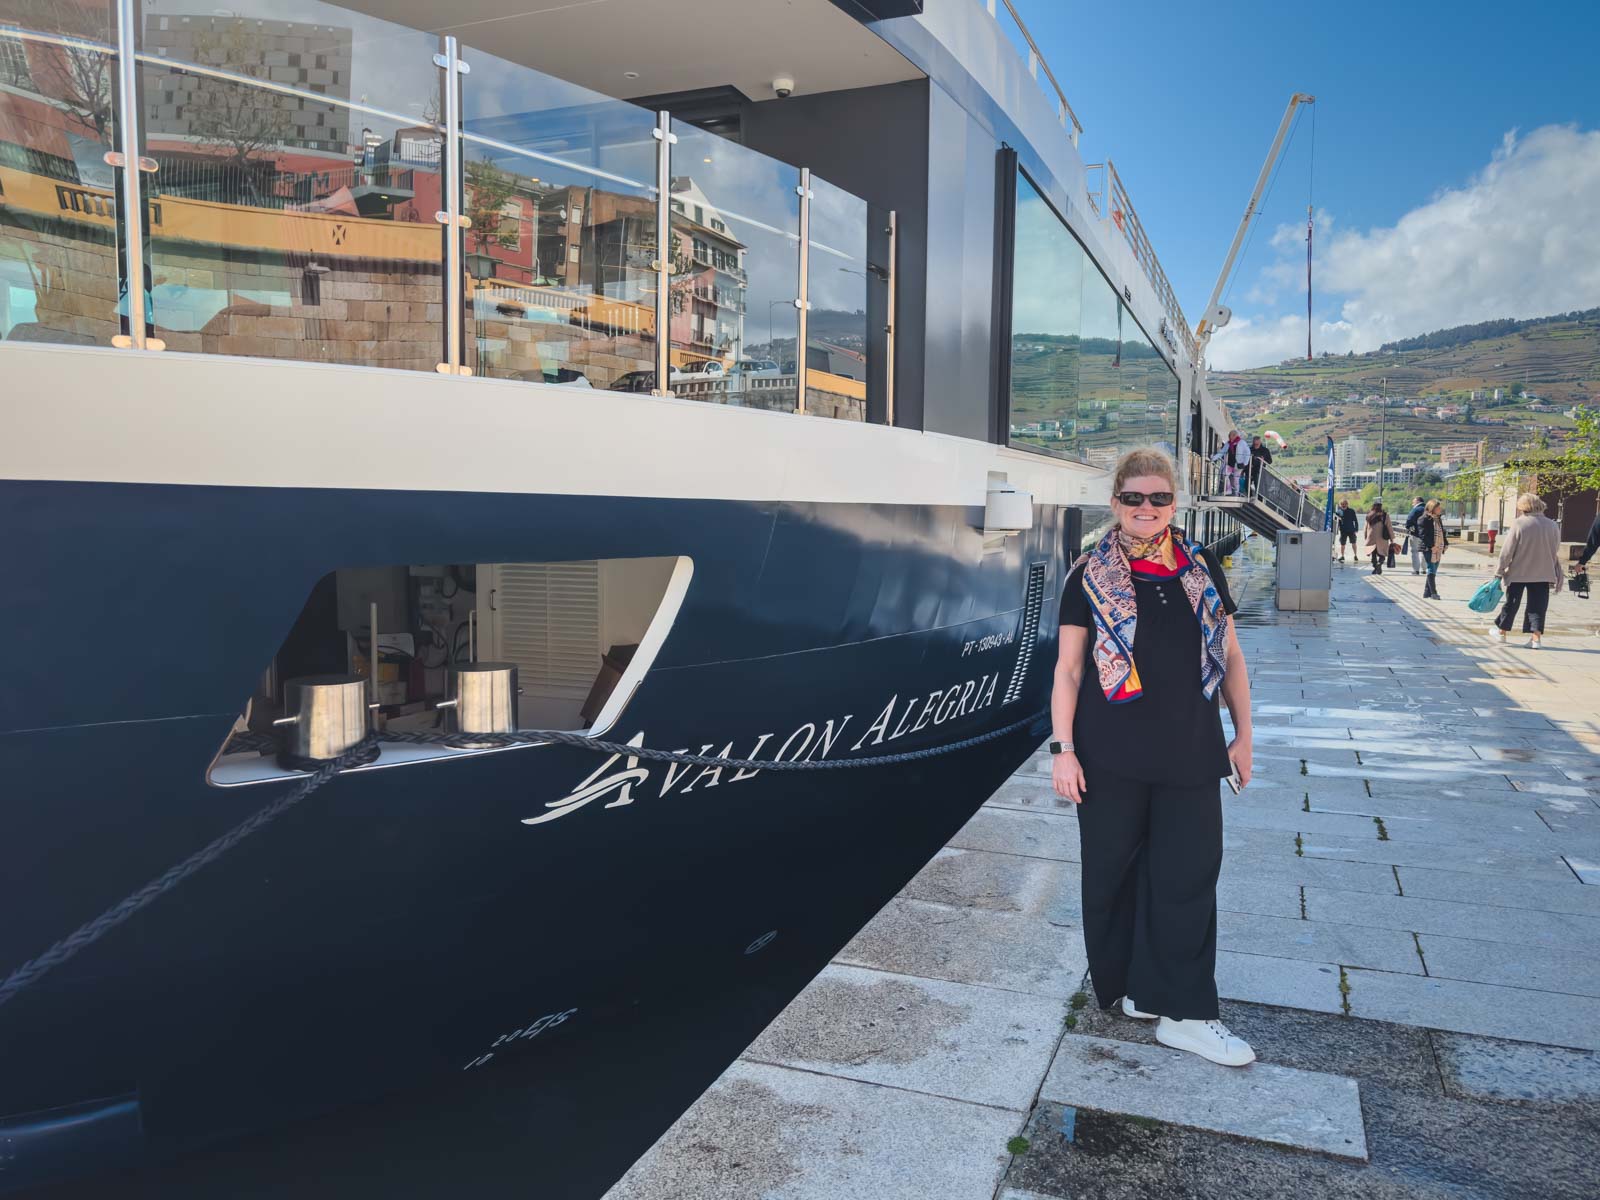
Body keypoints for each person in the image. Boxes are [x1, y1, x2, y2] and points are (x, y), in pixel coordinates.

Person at [1051, 447, 1256, 1068]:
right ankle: (1138, 987)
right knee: (1113, 875)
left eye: (1158, 498)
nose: (1146, 508)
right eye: (1134, 498)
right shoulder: (1088, 573)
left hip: (1191, 751)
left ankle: (1188, 1013)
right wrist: (1063, 750)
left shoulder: (1201, 568)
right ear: (1116, 503)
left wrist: (1243, 736)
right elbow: (1067, 669)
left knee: (1189, 876)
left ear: (1175, 503)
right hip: (1109, 753)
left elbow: (1234, 659)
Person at [1491, 493, 1564, 648]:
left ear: (1523, 507)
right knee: (1538, 606)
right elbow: (1555, 548)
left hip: (1519, 572)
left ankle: (1502, 633)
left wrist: (1500, 570)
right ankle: (1536, 639)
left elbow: (1507, 551)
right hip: (1543, 572)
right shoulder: (1552, 525)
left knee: (1512, 603)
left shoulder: (1520, 524)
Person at [1418, 498, 1448, 599]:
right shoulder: (1424, 519)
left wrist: (1446, 543)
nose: (1440, 509)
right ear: (1432, 508)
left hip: (1438, 547)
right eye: (1438, 508)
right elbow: (1423, 535)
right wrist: (1432, 546)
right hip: (1429, 548)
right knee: (1431, 568)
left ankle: (1426, 592)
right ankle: (1434, 593)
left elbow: (1442, 532)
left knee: (1434, 569)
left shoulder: (1437, 518)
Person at [1365, 501, 1393, 575]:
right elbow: (1389, 527)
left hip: (1371, 536)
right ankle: (1379, 564)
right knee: (1382, 553)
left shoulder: (1369, 515)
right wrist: (1392, 538)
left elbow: (1366, 527)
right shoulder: (1385, 515)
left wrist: (1366, 536)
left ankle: (1375, 566)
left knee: (1373, 552)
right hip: (1382, 537)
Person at [1404, 495, 1427, 575]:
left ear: (1417, 501)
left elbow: (1409, 520)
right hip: (1426, 534)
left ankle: (1416, 570)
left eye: (1413, 502)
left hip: (1416, 534)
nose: (1412, 504)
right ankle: (1424, 569)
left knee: (1415, 551)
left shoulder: (1415, 510)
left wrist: (1408, 527)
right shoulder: (1428, 509)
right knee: (1424, 551)